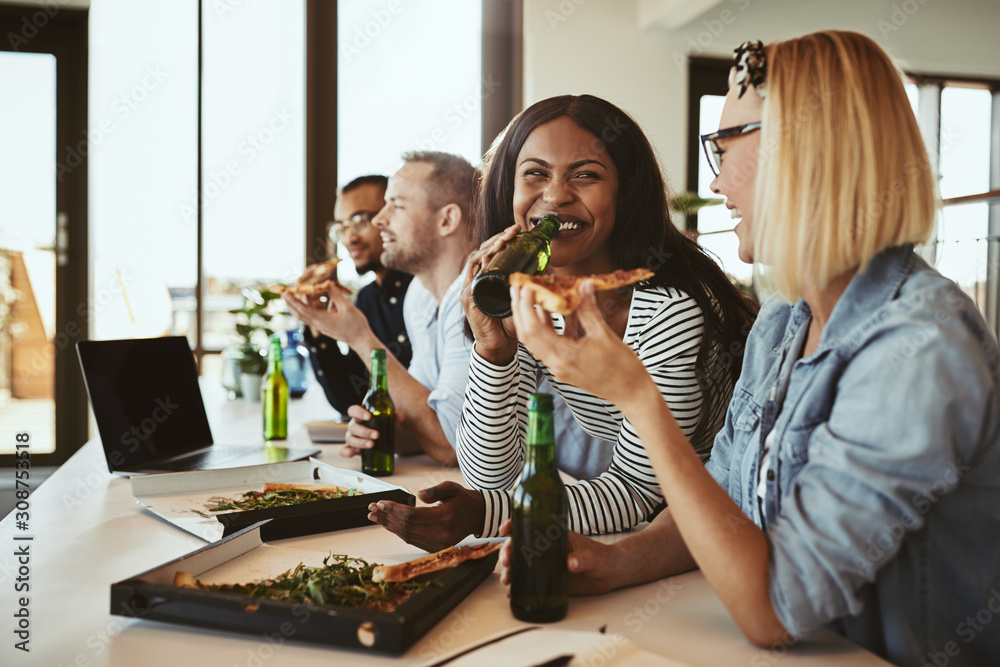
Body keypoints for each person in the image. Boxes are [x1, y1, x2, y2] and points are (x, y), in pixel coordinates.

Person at [500, 32, 1000, 666]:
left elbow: (773, 608)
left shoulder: (919, 347)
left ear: (806, 149)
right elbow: (723, 505)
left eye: (726, 142)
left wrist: (636, 395)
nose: (714, 177)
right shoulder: (784, 322)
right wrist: (613, 562)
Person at [367, 94, 758, 550]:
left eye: (586, 175)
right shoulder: (536, 300)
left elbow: (641, 493)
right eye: (535, 174)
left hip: (717, 541)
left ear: (626, 190)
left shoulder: (668, 312)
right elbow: (489, 476)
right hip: (659, 537)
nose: (555, 195)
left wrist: (488, 514)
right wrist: (493, 351)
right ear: (508, 189)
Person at [284, 152, 479, 466]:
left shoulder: (479, 298)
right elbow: (426, 415)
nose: (378, 221)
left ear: (447, 220)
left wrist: (360, 336)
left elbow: (453, 444)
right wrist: (380, 430)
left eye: (397, 206)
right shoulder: (421, 296)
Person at [298, 174, 414, 416]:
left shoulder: (426, 291)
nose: (349, 238)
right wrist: (318, 323)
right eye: (342, 227)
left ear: (391, 216)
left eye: (359, 220)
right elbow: (352, 400)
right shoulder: (366, 299)